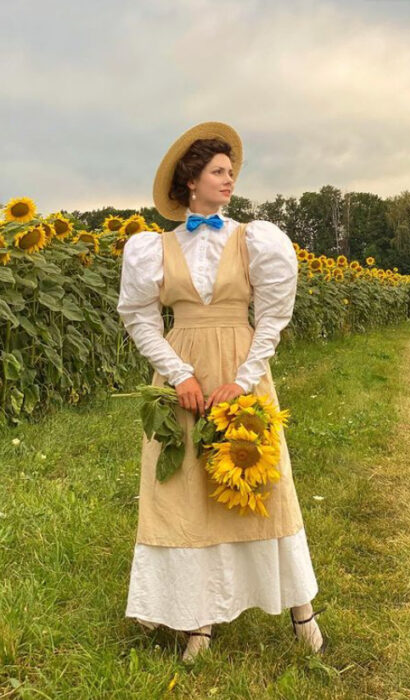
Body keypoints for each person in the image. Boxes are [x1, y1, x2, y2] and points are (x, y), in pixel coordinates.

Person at [116, 121, 325, 662]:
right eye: (218, 171)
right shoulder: (153, 248)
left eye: (231, 172)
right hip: (183, 365)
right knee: (184, 488)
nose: (229, 179)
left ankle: (301, 610)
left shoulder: (255, 239)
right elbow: (139, 318)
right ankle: (197, 619)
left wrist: (246, 377)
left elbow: (274, 316)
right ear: (192, 181)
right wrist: (178, 373)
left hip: (240, 363)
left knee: (261, 479)